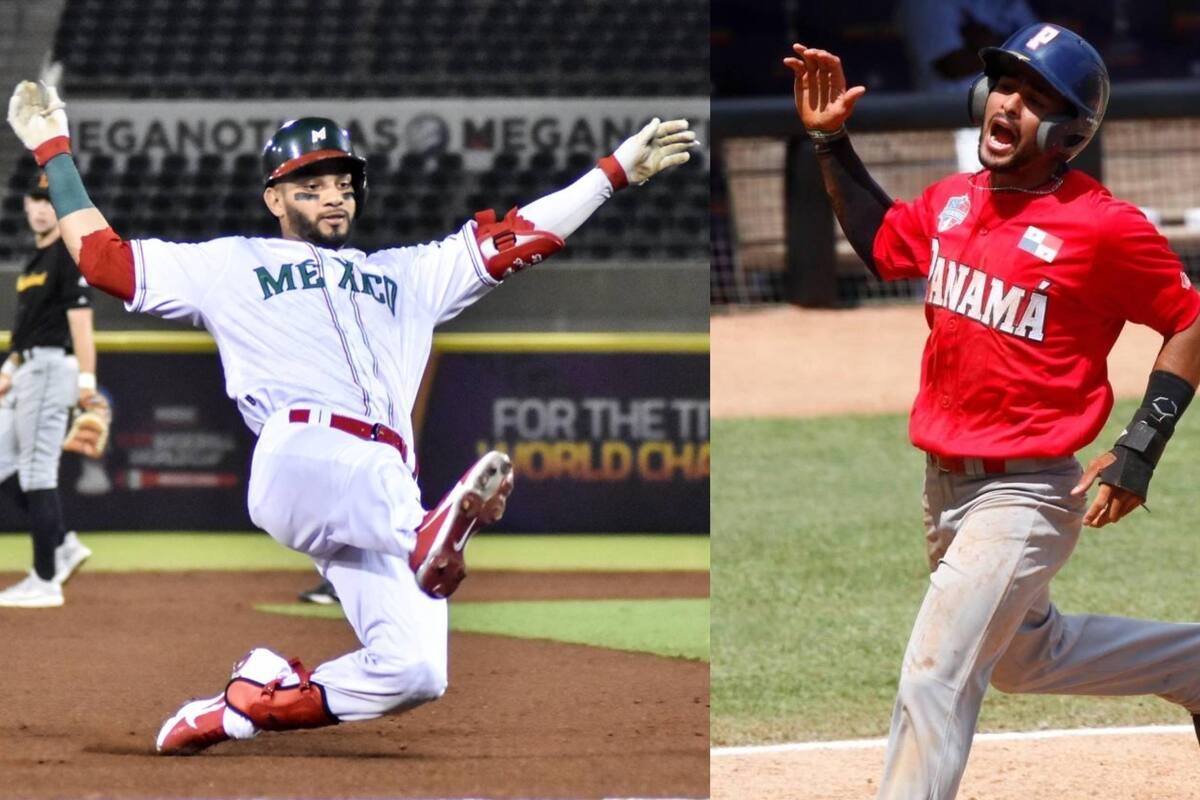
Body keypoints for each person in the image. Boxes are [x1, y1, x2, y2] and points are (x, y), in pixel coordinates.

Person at [7, 82, 696, 754]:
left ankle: (250, 701)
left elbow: (520, 237)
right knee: (383, 483)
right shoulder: (230, 265)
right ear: (274, 199)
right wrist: (52, 148)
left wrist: (611, 174)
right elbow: (102, 259)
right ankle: (426, 535)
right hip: (299, 456)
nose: (334, 195)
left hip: (376, 485)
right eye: (311, 184)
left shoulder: (407, 275)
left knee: (416, 670)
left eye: (343, 183)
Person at [785, 23, 1200, 799]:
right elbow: (885, 245)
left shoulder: (1102, 226)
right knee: (1025, 659)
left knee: (935, 674)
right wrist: (831, 141)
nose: (1009, 104)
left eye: (1036, 96)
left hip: (1027, 494)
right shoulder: (954, 202)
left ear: (1071, 131)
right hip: (944, 488)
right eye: (1005, 85)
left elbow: (1189, 317)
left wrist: (1141, 446)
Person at [0, 170, 95, 609]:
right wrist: (8, 368)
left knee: (38, 472)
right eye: (35, 200)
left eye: (49, 201)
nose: (41, 208)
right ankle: (62, 545)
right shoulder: (35, 261)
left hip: (52, 369)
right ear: (25, 206)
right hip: (26, 368)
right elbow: (27, 333)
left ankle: (44, 579)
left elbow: (81, 324)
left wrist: (87, 383)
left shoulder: (65, 255)